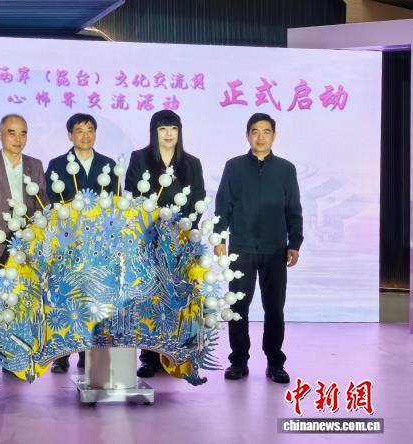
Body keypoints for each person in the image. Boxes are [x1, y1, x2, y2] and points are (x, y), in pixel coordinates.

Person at [214, 113, 303, 384]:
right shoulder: (234, 167)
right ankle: (238, 361)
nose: (260, 137)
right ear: (247, 135)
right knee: (238, 306)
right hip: (241, 247)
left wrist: (294, 243)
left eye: (266, 131)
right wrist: (219, 238)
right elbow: (223, 204)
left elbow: (293, 208)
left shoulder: (286, 169)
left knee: (274, 308)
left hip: (275, 249)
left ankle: (275, 362)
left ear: (274, 136)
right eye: (255, 131)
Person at [125, 109, 206, 378]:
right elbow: (133, 196)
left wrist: (183, 230)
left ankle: (173, 352)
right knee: (149, 298)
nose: (169, 134)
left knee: (176, 297)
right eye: (162, 129)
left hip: (181, 240)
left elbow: (198, 199)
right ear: (154, 132)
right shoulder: (140, 158)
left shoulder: (192, 163)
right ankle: (149, 357)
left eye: (173, 129)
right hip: (149, 239)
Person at [0, 114, 48, 380]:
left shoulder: (35, 165)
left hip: (26, 248)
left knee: (22, 305)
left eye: (23, 133)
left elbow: (42, 207)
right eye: (12, 133)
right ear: (0, 135)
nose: (18, 139)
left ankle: (16, 359)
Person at [44, 113, 117, 374]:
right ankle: (62, 354)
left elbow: (115, 205)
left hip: (99, 245)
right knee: (66, 297)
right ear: (70, 135)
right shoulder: (56, 165)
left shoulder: (108, 165)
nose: (85, 136)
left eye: (90, 130)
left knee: (94, 297)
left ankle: (88, 353)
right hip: (68, 243)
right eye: (79, 130)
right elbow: (51, 202)